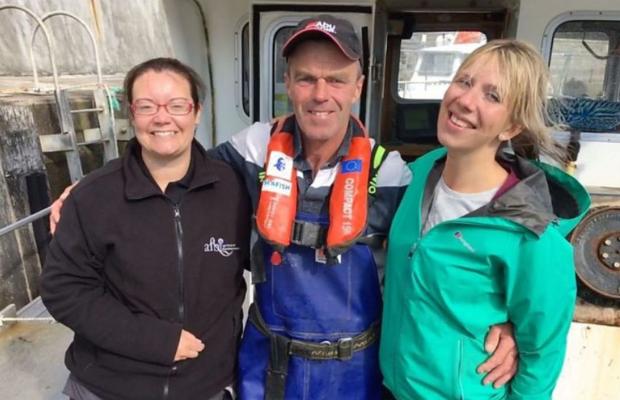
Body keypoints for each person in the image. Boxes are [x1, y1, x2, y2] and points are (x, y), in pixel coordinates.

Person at [49, 16, 518, 400]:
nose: (320, 94)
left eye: (336, 80)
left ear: (357, 87)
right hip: (266, 365)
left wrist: (500, 320)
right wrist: (88, 191)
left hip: (353, 372)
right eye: (306, 78)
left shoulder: (392, 173)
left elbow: (451, 255)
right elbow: (174, 169)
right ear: (288, 84)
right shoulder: (249, 152)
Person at [380, 39, 591, 399]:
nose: (465, 100)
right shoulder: (415, 176)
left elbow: (542, 357)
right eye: (464, 81)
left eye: (492, 96)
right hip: (390, 388)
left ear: (511, 127)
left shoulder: (529, 233)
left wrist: (517, 334)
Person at [41, 58, 251, 400]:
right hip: (108, 387)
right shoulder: (93, 196)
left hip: (207, 386)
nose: (162, 118)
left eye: (177, 105)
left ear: (197, 112)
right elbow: (63, 290)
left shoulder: (234, 189)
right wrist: (157, 341)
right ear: (131, 113)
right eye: (147, 106)